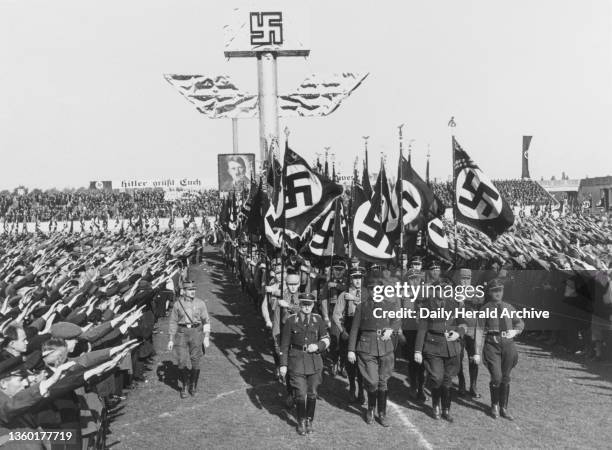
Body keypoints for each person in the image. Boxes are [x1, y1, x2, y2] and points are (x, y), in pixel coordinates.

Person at [347, 271, 401, 427]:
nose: (374, 291)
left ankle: (382, 413)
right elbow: (355, 329)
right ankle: (370, 409)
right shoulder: (362, 307)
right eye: (371, 289)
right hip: (366, 347)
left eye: (377, 289)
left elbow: (397, 320)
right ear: (368, 291)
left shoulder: (389, 305)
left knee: (383, 381)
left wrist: (392, 329)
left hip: (385, 346)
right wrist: (351, 349)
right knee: (372, 381)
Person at [415, 279, 466, 422]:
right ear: (434, 291)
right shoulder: (427, 306)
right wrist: (418, 350)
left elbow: (463, 323)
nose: (443, 292)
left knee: (448, 380)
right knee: (437, 377)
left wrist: (459, 333)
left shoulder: (454, 304)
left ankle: (446, 409)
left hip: (451, 347)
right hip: (433, 346)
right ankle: (435, 405)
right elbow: (422, 329)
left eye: (446, 290)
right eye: (440, 290)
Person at [474, 278, 525, 419]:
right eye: (495, 291)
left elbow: (519, 322)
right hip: (492, 345)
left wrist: (515, 331)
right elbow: (479, 331)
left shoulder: (508, 308)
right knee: (496, 376)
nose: (498, 293)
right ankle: (494, 405)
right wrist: (477, 352)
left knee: (506, 377)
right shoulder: (485, 309)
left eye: (500, 290)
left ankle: (504, 408)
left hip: (508, 345)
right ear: (490, 293)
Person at [279, 293, 330, 436]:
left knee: (312, 393)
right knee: (301, 394)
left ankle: (309, 420)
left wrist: (319, 346)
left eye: (309, 304)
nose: (307, 307)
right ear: (299, 305)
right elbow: (284, 344)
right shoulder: (291, 320)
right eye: (304, 304)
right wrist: (283, 364)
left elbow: (326, 338)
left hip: (314, 362)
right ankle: (301, 421)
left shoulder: (318, 320)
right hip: (296, 361)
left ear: (313, 305)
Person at [167, 280, 211, 398]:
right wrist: (171, 339)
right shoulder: (177, 304)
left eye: (194, 289)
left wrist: (206, 336)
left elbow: (206, 320)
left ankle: (193, 386)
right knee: (181, 360)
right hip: (181, 333)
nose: (193, 292)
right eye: (190, 290)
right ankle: (184, 386)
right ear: (184, 291)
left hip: (196, 332)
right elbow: (173, 322)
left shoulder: (200, 303)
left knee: (195, 359)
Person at [333, 267, 366, 404]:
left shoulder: (367, 294)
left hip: (363, 331)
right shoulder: (344, 296)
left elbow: (372, 308)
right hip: (348, 328)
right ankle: (352, 385)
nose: (357, 281)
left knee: (363, 362)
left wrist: (356, 299)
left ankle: (361, 389)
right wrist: (342, 330)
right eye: (354, 278)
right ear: (350, 279)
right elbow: (336, 314)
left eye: (359, 278)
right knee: (350, 362)